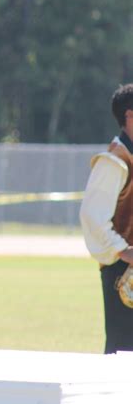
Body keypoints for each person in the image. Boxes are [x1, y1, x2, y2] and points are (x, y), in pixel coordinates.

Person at [80, 83, 133, 353]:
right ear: (129, 116)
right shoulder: (115, 160)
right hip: (123, 274)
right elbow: (92, 215)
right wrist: (123, 251)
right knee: (123, 351)